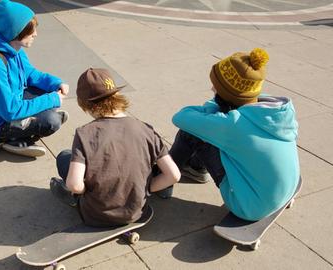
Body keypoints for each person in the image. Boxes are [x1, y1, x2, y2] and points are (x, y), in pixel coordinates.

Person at [170, 48, 300, 221]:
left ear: (225, 94)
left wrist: (213, 108)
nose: (212, 88)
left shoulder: (233, 125)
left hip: (249, 207)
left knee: (191, 133)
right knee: (214, 133)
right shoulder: (276, 110)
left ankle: (163, 176)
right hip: (285, 189)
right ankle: (195, 168)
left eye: (215, 87)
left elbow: (181, 117)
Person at [50, 68, 181, 227]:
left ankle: (76, 200)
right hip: (136, 211)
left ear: (85, 104)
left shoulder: (85, 133)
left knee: (65, 157)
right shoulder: (145, 129)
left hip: (96, 214)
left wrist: (85, 192)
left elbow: (75, 185)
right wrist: (147, 189)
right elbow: (173, 175)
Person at [0, 0, 69, 158]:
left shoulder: (11, 47)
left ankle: (29, 124)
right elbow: (10, 110)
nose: (35, 34)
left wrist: (55, 83)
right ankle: (3, 138)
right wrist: (52, 99)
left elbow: (30, 74)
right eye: (31, 31)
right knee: (51, 121)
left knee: (48, 97)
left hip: (6, 104)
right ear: (16, 31)